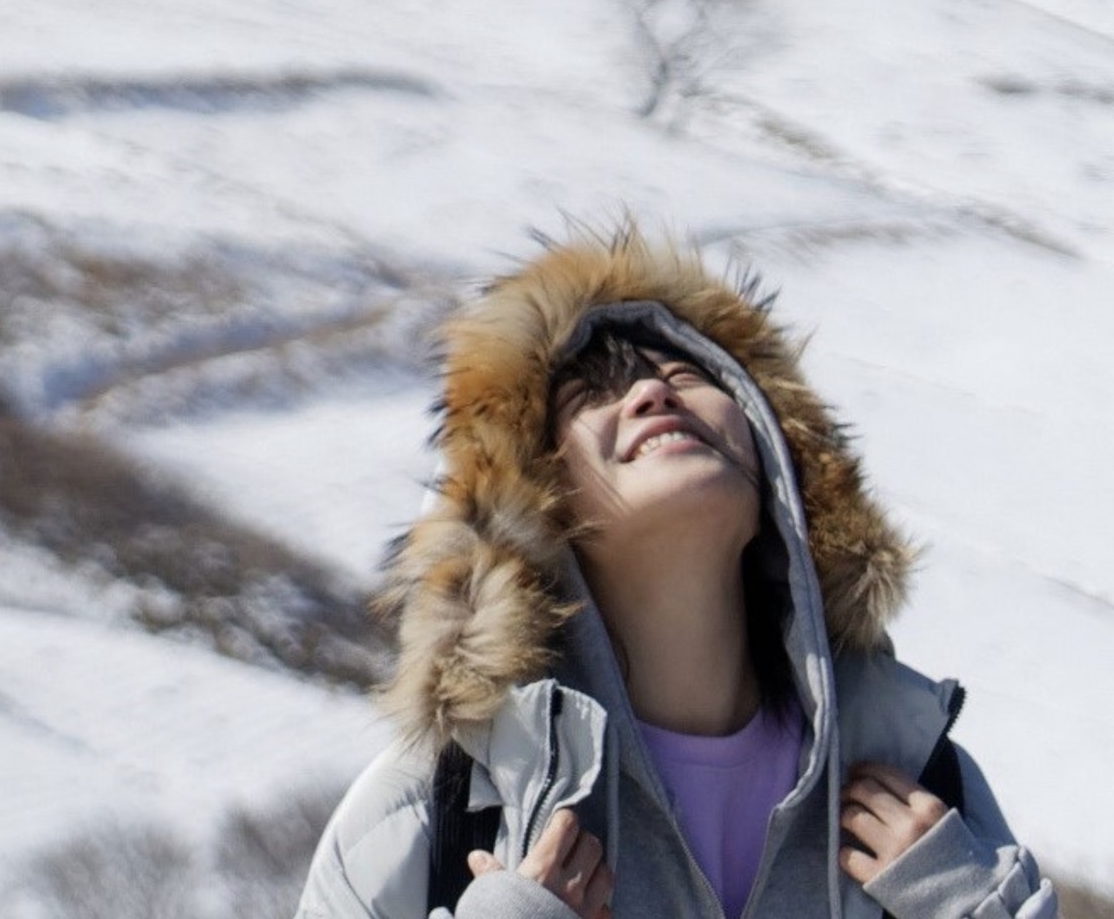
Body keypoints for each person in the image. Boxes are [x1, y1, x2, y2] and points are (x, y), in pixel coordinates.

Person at [296, 229, 1056, 919]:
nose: (651, 392)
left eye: (691, 375)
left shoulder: (922, 780)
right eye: (592, 393)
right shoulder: (437, 809)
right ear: (528, 498)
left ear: (782, 470)